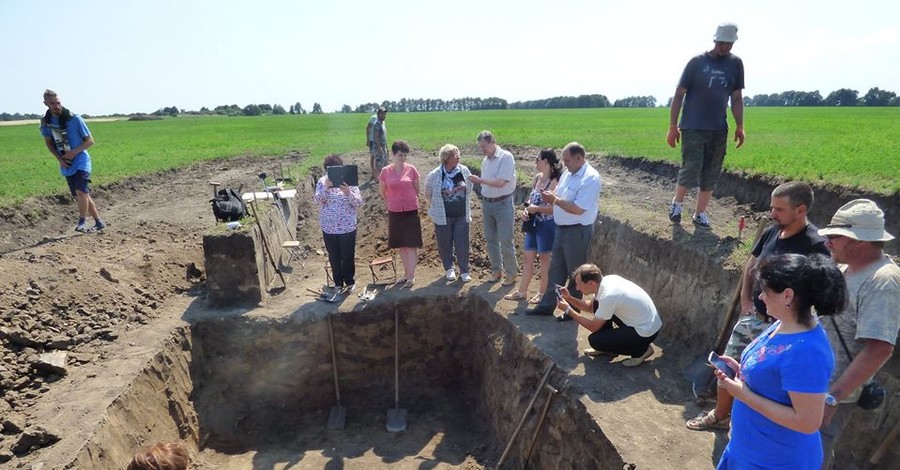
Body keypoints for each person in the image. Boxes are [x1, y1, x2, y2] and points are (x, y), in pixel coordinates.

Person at [686, 181, 830, 431]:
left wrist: (786, 320)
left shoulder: (815, 246)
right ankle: (721, 415)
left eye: (779, 209)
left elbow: (815, 294)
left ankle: (748, 422)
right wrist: (745, 299)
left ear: (801, 210)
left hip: (783, 329)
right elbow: (751, 267)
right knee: (729, 368)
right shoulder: (771, 232)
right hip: (755, 318)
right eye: (772, 207)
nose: (772, 214)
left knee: (763, 380)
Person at [715, 254, 847, 470]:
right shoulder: (784, 324)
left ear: (787, 296)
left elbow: (807, 422)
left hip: (774, 461)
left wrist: (744, 395)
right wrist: (743, 373)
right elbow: (774, 378)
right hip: (750, 450)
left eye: (765, 291)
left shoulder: (807, 351)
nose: (760, 296)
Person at [817, 199, 899, 469]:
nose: (828, 242)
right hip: (814, 384)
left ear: (859, 241)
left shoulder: (883, 282)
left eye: (835, 237)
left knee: (812, 454)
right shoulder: (843, 268)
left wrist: (833, 396)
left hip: (831, 393)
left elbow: (879, 348)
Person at [666, 23, 745, 230]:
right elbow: (679, 94)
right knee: (691, 166)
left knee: (712, 171)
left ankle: (700, 213)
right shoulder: (696, 62)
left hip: (718, 127)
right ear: (714, 40)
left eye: (728, 44)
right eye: (721, 43)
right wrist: (673, 126)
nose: (724, 47)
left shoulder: (736, 64)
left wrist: (740, 125)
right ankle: (677, 204)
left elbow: (736, 98)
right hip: (693, 125)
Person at [524, 142, 601, 320]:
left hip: (577, 231)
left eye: (567, 161)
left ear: (579, 158)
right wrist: (553, 198)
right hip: (561, 228)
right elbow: (560, 195)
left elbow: (578, 209)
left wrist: (555, 201)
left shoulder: (590, 178)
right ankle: (546, 305)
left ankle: (571, 312)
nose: (564, 164)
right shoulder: (568, 173)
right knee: (555, 269)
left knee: (575, 274)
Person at [555, 264, 662, 367]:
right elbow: (591, 307)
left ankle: (642, 350)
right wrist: (569, 298)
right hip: (646, 322)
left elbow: (593, 327)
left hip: (645, 332)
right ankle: (609, 348)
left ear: (591, 283)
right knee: (597, 304)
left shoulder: (608, 296)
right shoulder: (607, 281)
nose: (577, 288)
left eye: (579, 284)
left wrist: (569, 310)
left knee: (595, 341)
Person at [39, 89, 106, 233]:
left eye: (58, 102)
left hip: (81, 160)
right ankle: (99, 222)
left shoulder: (74, 119)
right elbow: (49, 143)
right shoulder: (46, 122)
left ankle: (82, 222)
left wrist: (74, 152)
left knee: (81, 192)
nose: (56, 106)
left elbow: (90, 141)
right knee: (83, 195)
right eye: (53, 103)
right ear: (46, 104)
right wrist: (60, 160)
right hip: (66, 163)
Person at [505, 149, 562, 302]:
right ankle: (522, 292)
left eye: (537, 159)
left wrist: (537, 209)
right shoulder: (537, 178)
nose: (535, 162)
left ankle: (543, 294)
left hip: (547, 225)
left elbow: (556, 208)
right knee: (528, 257)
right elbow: (532, 200)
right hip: (533, 223)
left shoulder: (555, 182)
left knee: (544, 260)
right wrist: (526, 211)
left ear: (546, 162)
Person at [468, 131, 518, 285]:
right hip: (487, 203)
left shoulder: (506, 157)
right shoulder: (485, 161)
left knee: (505, 239)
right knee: (490, 239)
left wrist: (480, 180)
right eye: (480, 147)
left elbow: (501, 182)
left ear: (491, 142)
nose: (482, 150)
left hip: (503, 203)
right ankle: (496, 271)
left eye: (483, 146)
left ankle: (511, 273)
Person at [424, 144, 474, 283]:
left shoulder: (464, 170)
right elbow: (428, 193)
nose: (458, 156)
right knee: (444, 242)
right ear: (446, 158)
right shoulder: (434, 175)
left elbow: (469, 187)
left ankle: (464, 271)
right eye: (454, 155)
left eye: (458, 153)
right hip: (443, 215)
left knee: (462, 242)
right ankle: (449, 268)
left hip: (461, 214)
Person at [314, 154, 363, 292]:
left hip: (347, 227)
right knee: (334, 256)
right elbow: (317, 201)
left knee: (347, 255)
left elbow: (358, 202)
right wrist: (325, 189)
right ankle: (337, 283)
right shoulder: (322, 182)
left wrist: (348, 192)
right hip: (329, 227)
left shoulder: (349, 182)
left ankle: (349, 281)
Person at [379, 140, 422, 288]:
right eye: (399, 155)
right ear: (393, 154)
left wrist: (409, 200)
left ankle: (412, 276)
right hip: (395, 211)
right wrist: (392, 201)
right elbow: (382, 191)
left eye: (405, 155)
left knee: (411, 245)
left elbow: (417, 189)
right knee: (402, 245)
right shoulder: (385, 171)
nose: (402, 158)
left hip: (411, 210)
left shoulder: (412, 169)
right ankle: (406, 274)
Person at [369, 107, 388, 179]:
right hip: (378, 147)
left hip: (383, 146)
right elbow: (376, 137)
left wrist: (386, 147)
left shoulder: (382, 123)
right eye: (382, 114)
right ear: (378, 114)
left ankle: (384, 178)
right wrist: (379, 148)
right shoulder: (377, 124)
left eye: (385, 114)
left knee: (385, 162)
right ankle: (378, 179)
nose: (384, 115)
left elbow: (384, 136)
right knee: (379, 163)